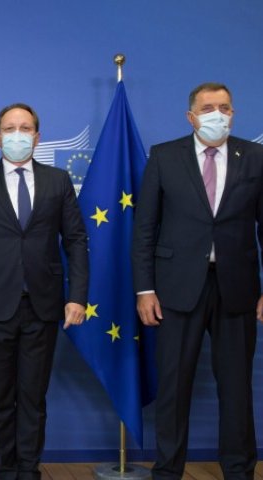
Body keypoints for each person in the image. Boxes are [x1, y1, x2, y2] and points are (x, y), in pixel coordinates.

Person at [0, 103, 88, 480]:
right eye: (9, 129)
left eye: (25, 128)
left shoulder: (58, 181)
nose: (17, 135)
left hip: (43, 305)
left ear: (37, 137)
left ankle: (28, 470)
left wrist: (77, 296)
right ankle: (3, 469)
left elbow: (76, 240)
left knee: (33, 397)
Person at [133, 83, 263, 479]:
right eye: (208, 108)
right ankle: (168, 470)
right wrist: (145, 289)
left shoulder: (255, 156)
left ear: (233, 113)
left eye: (224, 107)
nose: (217, 114)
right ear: (191, 117)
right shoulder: (164, 156)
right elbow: (144, 229)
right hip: (175, 289)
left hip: (237, 288)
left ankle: (239, 471)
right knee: (173, 386)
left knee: (237, 388)